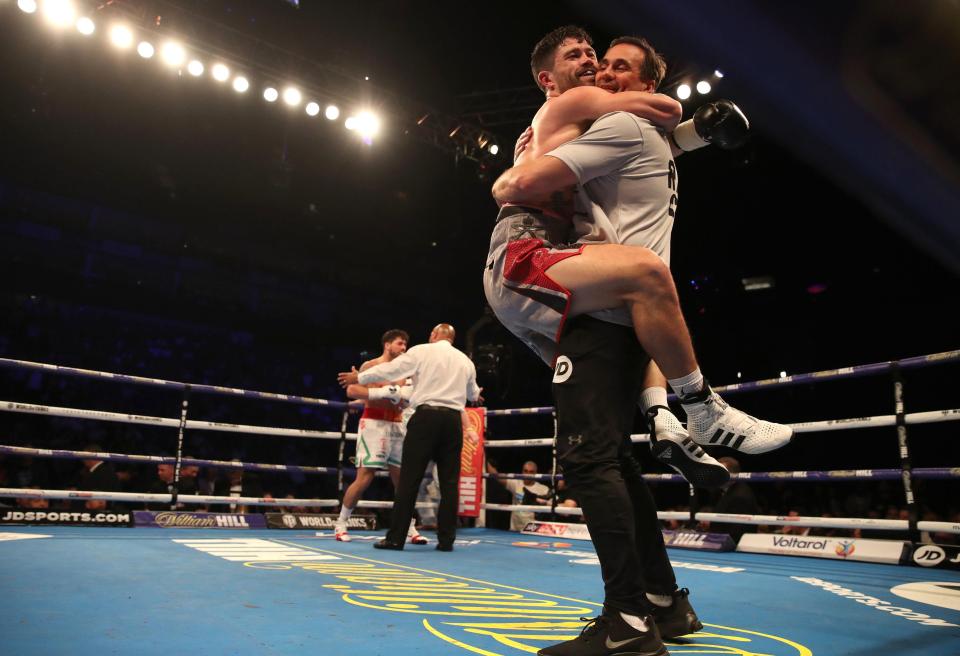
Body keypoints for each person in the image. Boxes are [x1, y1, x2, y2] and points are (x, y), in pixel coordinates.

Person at [486, 28, 783, 655]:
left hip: (585, 288)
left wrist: (691, 127)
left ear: (644, 80)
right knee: (600, 451)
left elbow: (657, 125)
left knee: (602, 459)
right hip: (532, 259)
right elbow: (663, 120)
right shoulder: (569, 109)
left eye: (610, 62)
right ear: (546, 78)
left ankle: (644, 610)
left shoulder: (611, 126)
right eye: (586, 59)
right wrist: (515, 173)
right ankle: (680, 418)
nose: (596, 67)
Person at [338, 323, 482, 551]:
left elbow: (389, 370)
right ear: (452, 339)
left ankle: (396, 538)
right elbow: (473, 393)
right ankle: (446, 541)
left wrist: (360, 376)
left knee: (408, 479)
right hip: (453, 421)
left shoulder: (421, 351)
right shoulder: (465, 360)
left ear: (433, 335)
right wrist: (473, 394)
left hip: (425, 418)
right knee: (449, 483)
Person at [337, 329, 427, 545]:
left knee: (402, 481)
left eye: (405, 344)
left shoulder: (405, 371)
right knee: (365, 477)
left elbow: (410, 398)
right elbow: (352, 392)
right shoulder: (370, 367)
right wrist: (385, 392)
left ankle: (409, 527)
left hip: (397, 425)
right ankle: (341, 523)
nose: (404, 348)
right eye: (400, 343)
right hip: (373, 424)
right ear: (387, 345)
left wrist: (401, 396)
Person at [487, 459, 551, 530]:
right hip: (515, 529)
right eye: (525, 471)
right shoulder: (516, 483)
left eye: (531, 472)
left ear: (536, 473)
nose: (528, 474)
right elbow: (497, 476)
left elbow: (555, 504)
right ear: (522, 471)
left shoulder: (543, 489)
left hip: (533, 529)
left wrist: (540, 501)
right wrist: (485, 460)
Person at [708, 456, 759, 543]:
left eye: (719, 472)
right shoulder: (725, 490)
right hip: (723, 542)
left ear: (733, 474)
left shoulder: (740, 495)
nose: (715, 476)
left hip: (734, 548)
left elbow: (738, 531)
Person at [77, 443, 121, 511]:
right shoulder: (99, 471)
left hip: (96, 513)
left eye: (85, 456)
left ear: (93, 455)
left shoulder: (104, 472)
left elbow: (101, 502)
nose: (83, 459)